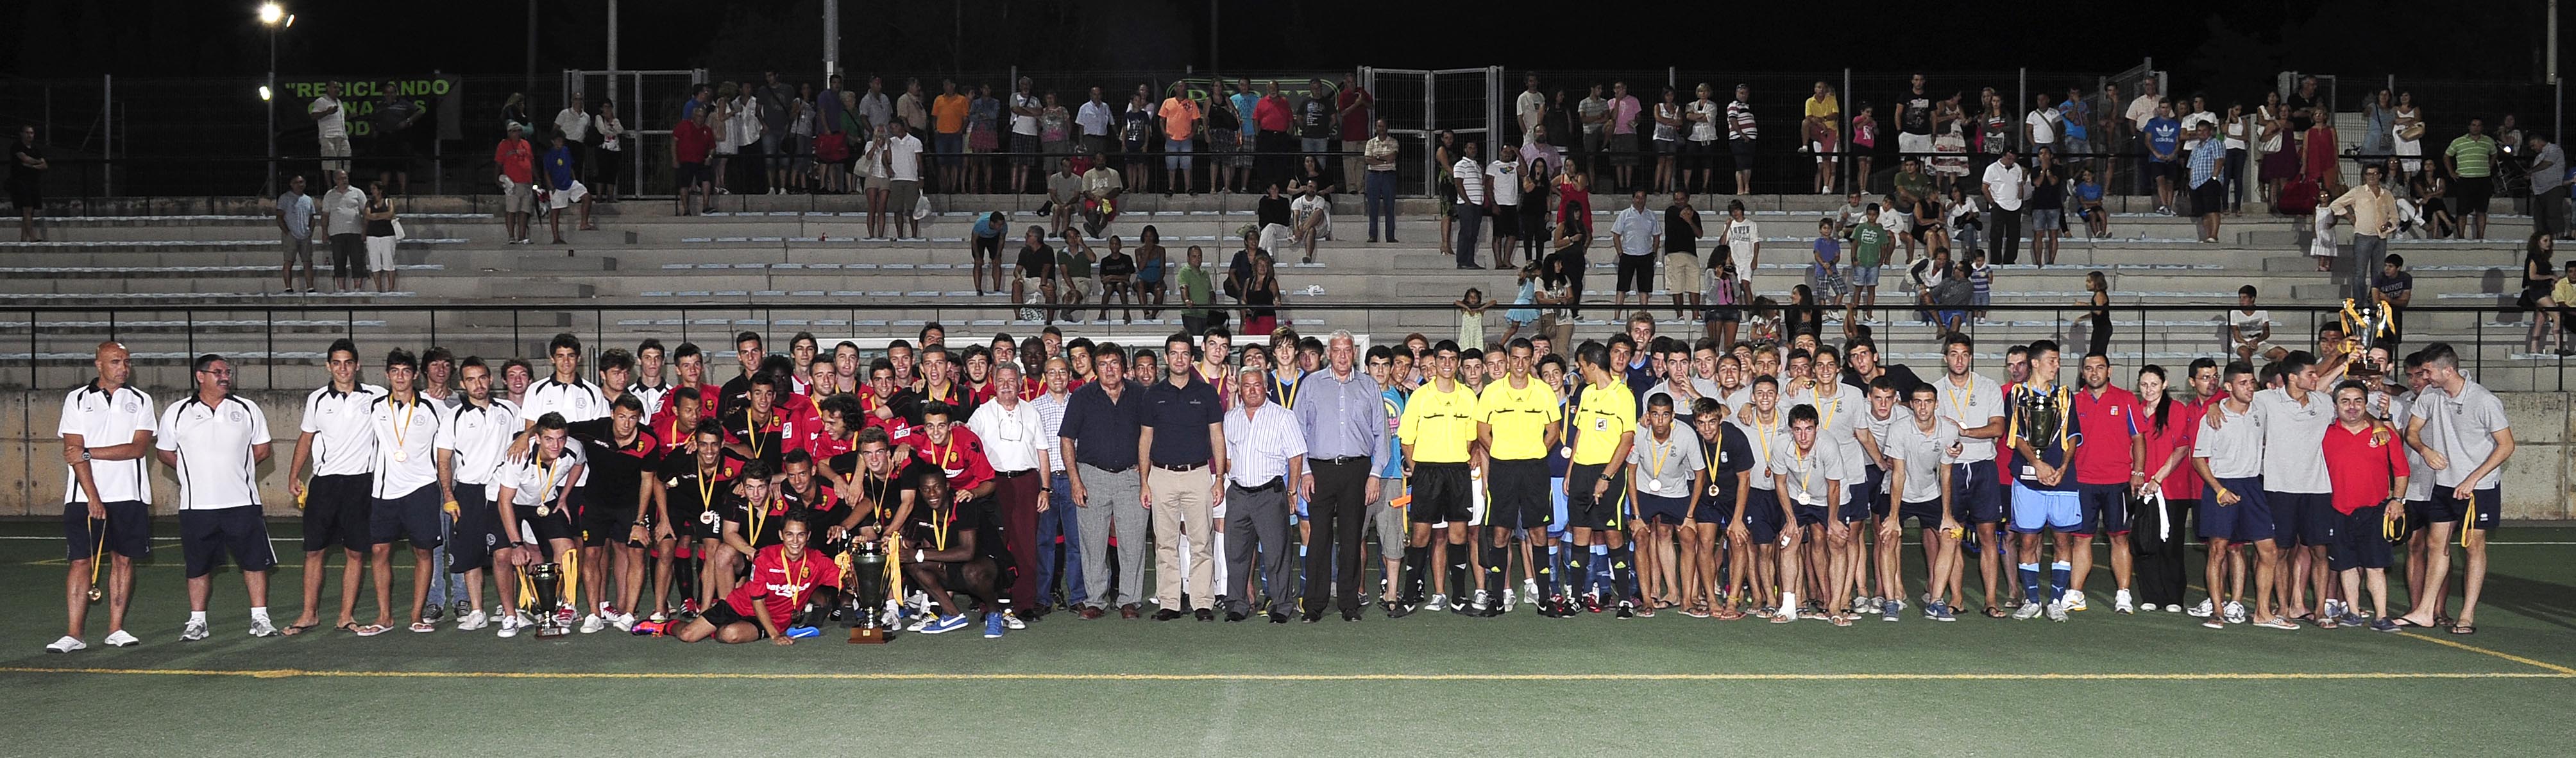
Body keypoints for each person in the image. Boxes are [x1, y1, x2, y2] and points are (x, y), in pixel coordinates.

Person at [156, 354, 282, 641]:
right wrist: (195, 471)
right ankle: (197, 622)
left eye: (228, 372)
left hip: (242, 502)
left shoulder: (247, 409)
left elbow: (262, 450)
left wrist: (235, 469)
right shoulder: (177, 412)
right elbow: (165, 452)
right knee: (198, 566)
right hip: (197, 506)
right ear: (200, 376)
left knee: (254, 562)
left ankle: (260, 618)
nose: (225, 376)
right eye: (218, 372)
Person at [2396, 343, 2514, 635]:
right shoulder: (2431, 397)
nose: (2423, 377)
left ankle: (2467, 614)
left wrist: (2472, 479)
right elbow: (2411, 432)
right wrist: (2424, 450)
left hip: (2480, 488)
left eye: (2428, 371)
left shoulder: (2483, 400)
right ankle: (2425, 611)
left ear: (2447, 370)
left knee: (2473, 547)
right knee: (2436, 545)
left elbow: (2507, 445)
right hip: (2444, 484)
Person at [49, 343, 156, 653]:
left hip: (130, 494)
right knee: (81, 561)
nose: (123, 367)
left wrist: (88, 452)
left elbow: (137, 449)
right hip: (84, 496)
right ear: (99, 365)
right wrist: (93, 497)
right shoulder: (77, 400)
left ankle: (116, 629)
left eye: (126, 362)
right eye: (115, 362)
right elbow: (72, 452)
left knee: (123, 560)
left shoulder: (141, 400)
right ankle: (74, 634)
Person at [281, 340, 387, 636]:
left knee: (355, 553)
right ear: (328, 366)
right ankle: (309, 614)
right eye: (337, 363)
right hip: (324, 484)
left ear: (358, 365)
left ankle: (345, 615)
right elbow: (306, 439)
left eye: (348, 362)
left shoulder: (377, 397)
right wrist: (294, 475)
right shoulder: (316, 400)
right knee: (314, 551)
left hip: (361, 484)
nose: (343, 368)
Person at [1140, 334, 1226, 621]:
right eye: (1174, 353)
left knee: (1202, 542)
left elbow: (1217, 436)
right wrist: (1144, 481)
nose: (1179, 359)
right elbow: (1145, 439)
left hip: (1198, 474)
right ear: (1166, 358)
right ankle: (1169, 603)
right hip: (1161, 476)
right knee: (1165, 543)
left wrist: (1219, 478)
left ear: (1192, 358)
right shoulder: (1153, 395)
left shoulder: (1206, 394)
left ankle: (1203, 602)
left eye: (1185, 353)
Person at [646, 515, 838, 644]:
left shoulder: (818, 562)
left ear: (808, 536)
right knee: (688, 635)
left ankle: (717, 631)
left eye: (800, 535)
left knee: (730, 634)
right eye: (789, 535)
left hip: (773, 619)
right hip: (739, 605)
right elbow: (758, 601)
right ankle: (665, 627)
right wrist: (775, 636)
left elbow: (843, 579)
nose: (795, 541)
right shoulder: (765, 557)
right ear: (781, 535)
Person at [1058, 344, 1147, 618]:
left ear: (1124, 366)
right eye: (1103, 364)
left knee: (1133, 542)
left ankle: (1130, 600)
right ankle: (1095, 599)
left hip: (1131, 477)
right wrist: (1075, 480)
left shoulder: (1141, 395)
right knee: (1092, 542)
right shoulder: (1082, 396)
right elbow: (1066, 440)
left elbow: (1151, 435)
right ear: (1095, 369)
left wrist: (1145, 475)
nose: (1109, 369)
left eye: (1114, 363)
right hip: (1092, 476)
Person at [1217, 368, 1305, 623]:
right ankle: (1237, 603)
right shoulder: (1231, 418)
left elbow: (1295, 456)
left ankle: (1281, 605)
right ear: (1240, 389)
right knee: (1235, 552)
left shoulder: (1283, 417)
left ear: (1265, 387)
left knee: (1277, 553)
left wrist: (1292, 491)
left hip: (1270, 494)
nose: (1252, 390)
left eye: (1257, 385)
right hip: (1239, 496)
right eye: (1247, 386)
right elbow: (1228, 457)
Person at [2319, 380, 2407, 632]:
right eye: (2345, 401)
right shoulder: (2325, 434)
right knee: (2346, 565)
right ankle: (2353, 613)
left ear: (2366, 404)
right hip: (2338, 509)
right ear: (2335, 405)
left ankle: (2381, 616)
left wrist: (2397, 500)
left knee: (2376, 566)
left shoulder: (2382, 434)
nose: (2352, 407)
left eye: (2358, 401)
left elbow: (2401, 471)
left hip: (2376, 510)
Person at [966, 363, 1051, 618]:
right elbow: (968, 446)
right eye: (1001, 380)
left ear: (1020, 382)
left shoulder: (1032, 411)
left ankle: (1025, 603)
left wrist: (1045, 488)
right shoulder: (982, 414)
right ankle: (989, 604)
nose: (1006, 386)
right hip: (994, 485)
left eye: (1011, 381)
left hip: (1026, 482)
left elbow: (1042, 452)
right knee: (993, 545)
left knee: (1026, 545)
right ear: (994, 383)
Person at [2064, 352, 2146, 614]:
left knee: (2120, 538)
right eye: (2088, 368)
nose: (2094, 372)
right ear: (2083, 373)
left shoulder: (2126, 399)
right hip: (2083, 481)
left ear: (2109, 371)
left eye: (2100, 368)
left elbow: (2138, 439)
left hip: (2119, 481)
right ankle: (2076, 593)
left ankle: (2123, 594)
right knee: (2081, 539)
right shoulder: (2073, 402)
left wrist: (2139, 472)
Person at [2330, 164, 2400, 300]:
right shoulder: (2358, 191)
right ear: (2365, 176)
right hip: (2363, 236)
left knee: (2379, 273)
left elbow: (2394, 216)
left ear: (2380, 176)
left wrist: (2389, 225)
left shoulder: (2387, 194)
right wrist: (2350, 217)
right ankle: (2360, 303)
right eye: (2369, 174)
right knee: (2360, 273)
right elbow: (2336, 204)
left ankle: (2374, 301)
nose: (2372, 177)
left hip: (2381, 237)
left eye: (2375, 174)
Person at [2445, 117, 2498, 239]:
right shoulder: (2458, 142)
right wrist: (2452, 172)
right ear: (2469, 127)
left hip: (2483, 179)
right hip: (2464, 179)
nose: (2476, 127)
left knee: (2481, 210)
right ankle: (2461, 237)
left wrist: (2489, 166)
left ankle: (2480, 237)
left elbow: (2494, 153)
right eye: (2474, 125)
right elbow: (2447, 156)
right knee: (2462, 211)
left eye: (2479, 125)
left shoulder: (2488, 141)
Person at [539, 131, 597, 245]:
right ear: (553, 142)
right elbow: (546, 172)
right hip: (557, 186)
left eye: (561, 140)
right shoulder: (549, 155)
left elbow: (570, 167)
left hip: (569, 183)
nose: (560, 142)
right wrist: (551, 187)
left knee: (587, 197)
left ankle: (584, 223)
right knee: (556, 211)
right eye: (558, 140)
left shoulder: (566, 150)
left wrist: (575, 180)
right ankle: (556, 237)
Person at [1609, 190, 1660, 310]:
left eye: (1643, 197)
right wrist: (1620, 253)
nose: (1640, 200)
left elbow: (1657, 236)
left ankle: (1644, 315)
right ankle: (1617, 316)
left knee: (1644, 289)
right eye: (1637, 197)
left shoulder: (1651, 215)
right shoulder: (1625, 214)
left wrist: (1654, 253)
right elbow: (1616, 235)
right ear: (1633, 199)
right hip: (1628, 255)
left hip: (1646, 255)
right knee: (1621, 287)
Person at [319, 170, 368, 293]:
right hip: (336, 233)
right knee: (339, 260)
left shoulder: (357, 192)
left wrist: (365, 230)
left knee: (357, 260)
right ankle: (341, 288)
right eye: (341, 178)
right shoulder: (329, 195)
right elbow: (325, 215)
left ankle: (357, 288)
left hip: (355, 232)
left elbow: (366, 212)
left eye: (346, 178)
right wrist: (324, 232)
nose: (344, 181)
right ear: (335, 180)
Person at [1980, 149, 2028, 265]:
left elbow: (2020, 184)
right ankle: (1996, 261)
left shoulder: (2017, 168)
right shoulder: (1992, 169)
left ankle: (2009, 261)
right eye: (2009, 158)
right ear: (2004, 156)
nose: (2011, 161)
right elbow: (1985, 187)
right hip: (1999, 205)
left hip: (2015, 205)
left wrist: (2020, 198)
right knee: (1996, 235)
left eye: (2013, 159)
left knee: (2014, 236)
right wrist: (1992, 203)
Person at [494, 124, 536, 245]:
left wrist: (536, 178)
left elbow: (531, 162)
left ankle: (522, 237)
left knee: (524, 211)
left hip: (527, 182)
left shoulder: (526, 144)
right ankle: (511, 236)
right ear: (509, 133)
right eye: (514, 131)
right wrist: (497, 179)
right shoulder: (504, 145)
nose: (517, 133)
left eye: (519, 131)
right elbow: (498, 164)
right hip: (513, 183)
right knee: (511, 210)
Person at [275, 173, 316, 293]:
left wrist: (310, 231)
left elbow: (312, 217)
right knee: (289, 261)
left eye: (301, 182)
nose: (299, 185)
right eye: (296, 182)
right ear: (291, 184)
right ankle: (288, 287)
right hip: (291, 235)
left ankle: (310, 287)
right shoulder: (285, 198)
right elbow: (279, 217)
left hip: (305, 235)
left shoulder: (308, 199)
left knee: (308, 262)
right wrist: (287, 232)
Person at [1451, 141, 1489, 270]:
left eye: (1475, 148)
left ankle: (1470, 260)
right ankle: (1462, 261)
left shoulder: (1477, 167)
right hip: (1467, 204)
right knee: (1466, 233)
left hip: (1477, 204)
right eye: (1470, 148)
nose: (1473, 150)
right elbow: (1458, 184)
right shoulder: (1460, 165)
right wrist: (1467, 201)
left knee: (1473, 234)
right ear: (1465, 150)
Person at [12, 125, 49, 241]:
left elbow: (45, 165)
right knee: (27, 209)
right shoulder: (17, 146)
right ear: (21, 134)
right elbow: (25, 159)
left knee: (29, 211)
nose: (29, 135)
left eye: (31, 133)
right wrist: (37, 163)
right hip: (21, 182)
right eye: (27, 133)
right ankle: (32, 238)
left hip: (33, 182)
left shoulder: (36, 149)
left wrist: (32, 166)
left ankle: (24, 238)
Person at [360, 183, 400, 293]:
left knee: (389, 262)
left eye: (374, 189)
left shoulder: (388, 201)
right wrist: (383, 216)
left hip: (387, 235)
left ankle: (391, 289)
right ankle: (379, 290)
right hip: (372, 235)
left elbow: (391, 214)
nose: (372, 191)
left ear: (380, 190)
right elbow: (367, 216)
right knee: (375, 263)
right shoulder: (369, 202)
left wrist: (375, 216)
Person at [310, 82, 352, 176]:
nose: (337, 90)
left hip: (342, 136)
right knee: (329, 164)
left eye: (338, 88)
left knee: (346, 161)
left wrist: (350, 117)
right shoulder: (321, 101)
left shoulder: (339, 102)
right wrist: (327, 112)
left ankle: (344, 184)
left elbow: (338, 119)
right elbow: (313, 116)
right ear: (328, 88)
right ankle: (329, 188)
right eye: (335, 87)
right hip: (328, 136)